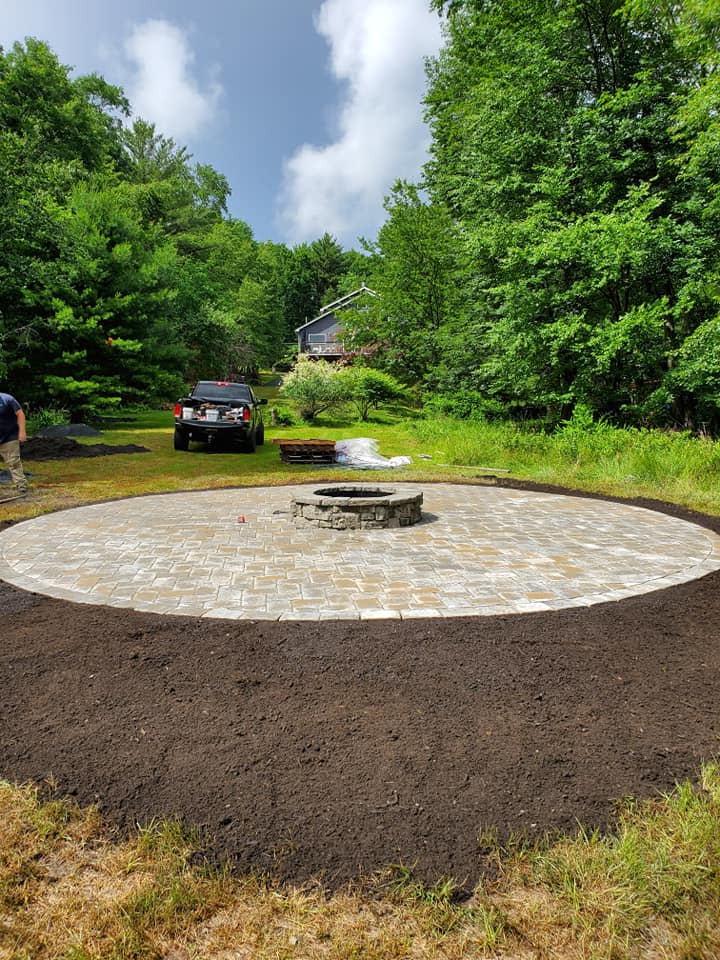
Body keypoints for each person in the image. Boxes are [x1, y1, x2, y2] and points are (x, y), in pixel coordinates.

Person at [0, 390, 28, 497]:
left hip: (9, 437)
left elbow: (20, 414)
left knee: (13, 462)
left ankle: (22, 487)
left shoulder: (7, 399)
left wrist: (22, 431)